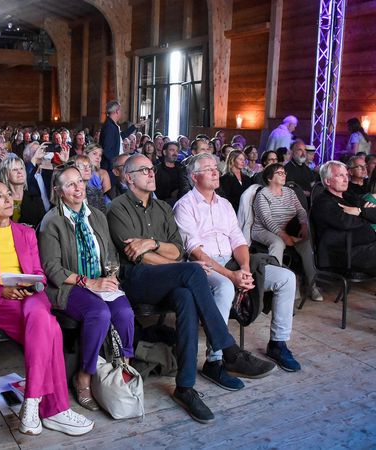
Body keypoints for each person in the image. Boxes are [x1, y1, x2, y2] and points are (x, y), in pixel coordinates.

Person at [107, 154, 274, 423]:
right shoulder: (118, 208)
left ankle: (185, 387)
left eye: (152, 169)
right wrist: (164, 256)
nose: (151, 173)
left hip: (167, 277)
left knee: (186, 295)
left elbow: (175, 251)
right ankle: (228, 350)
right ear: (128, 178)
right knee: (194, 269)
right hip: (136, 280)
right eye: (144, 170)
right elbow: (136, 256)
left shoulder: (162, 207)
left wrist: (153, 244)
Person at [0, 181, 94, 437]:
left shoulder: (25, 232)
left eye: (8, 194)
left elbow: (39, 274)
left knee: (39, 314)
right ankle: (54, 409)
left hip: (29, 296)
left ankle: (32, 403)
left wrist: (29, 282)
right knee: (51, 328)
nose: (7, 199)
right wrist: (1, 290)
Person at [174, 154, 300, 378]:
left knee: (286, 278)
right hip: (202, 267)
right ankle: (216, 360)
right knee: (224, 286)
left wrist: (244, 269)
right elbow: (195, 251)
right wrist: (231, 276)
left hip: (233, 263)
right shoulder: (184, 205)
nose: (215, 172)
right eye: (208, 169)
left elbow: (238, 240)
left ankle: (278, 343)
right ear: (194, 177)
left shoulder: (224, 204)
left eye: (216, 167)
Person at [38, 167, 135, 412]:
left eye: (79, 181)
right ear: (59, 192)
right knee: (99, 313)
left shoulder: (97, 217)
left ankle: (122, 369)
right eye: (69, 185)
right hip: (69, 285)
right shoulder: (52, 221)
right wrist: (89, 283)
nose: (78, 188)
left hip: (101, 282)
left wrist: (110, 276)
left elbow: (111, 254)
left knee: (124, 313)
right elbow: (51, 267)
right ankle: (84, 376)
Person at [250, 163, 322, 301]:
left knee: (306, 244)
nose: (284, 176)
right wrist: (284, 236)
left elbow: (300, 210)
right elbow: (267, 220)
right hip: (264, 230)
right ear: (270, 178)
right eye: (280, 173)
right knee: (278, 243)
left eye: (284, 173)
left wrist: (303, 225)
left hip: (288, 229)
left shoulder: (289, 192)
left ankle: (312, 285)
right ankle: (272, 288)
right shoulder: (263, 195)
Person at [311, 161, 376, 274]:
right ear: (327, 181)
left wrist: (359, 211)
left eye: (346, 175)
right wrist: (366, 214)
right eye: (340, 175)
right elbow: (346, 223)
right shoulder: (323, 202)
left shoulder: (349, 196)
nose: (346, 179)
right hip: (343, 253)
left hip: (363, 246)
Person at [0, 156, 46, 228]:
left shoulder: (35, 198)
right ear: (6, 175)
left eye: (21, 168)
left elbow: (43, 226)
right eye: (14, 170)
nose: (20, 172)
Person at [99, 100, 137, 175]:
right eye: (120, 110)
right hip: (111, 168)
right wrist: (115, 165)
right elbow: (107, 150)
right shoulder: (109, 127)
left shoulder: (112, 125)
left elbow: (118, 138)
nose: (121, 113)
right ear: (117, 111)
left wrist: (134, 127)